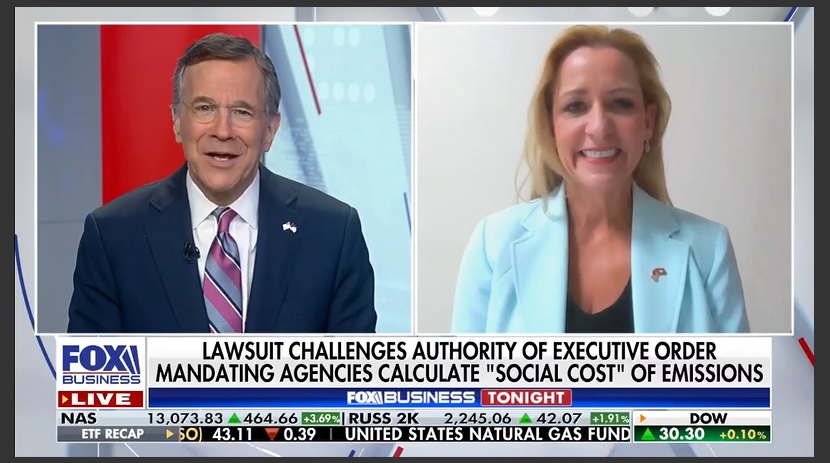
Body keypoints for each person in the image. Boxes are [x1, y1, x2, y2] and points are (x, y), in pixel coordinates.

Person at [67, 33, 377, 333]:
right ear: (177, 121)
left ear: (270, 130)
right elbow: (93, 367)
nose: (223, 130)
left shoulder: (333, 234)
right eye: (204, 108)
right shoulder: (113, 236)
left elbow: (352, 367)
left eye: (242, 112)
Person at [451, 25, 750, 334]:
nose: (599, 127)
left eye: (621, 103)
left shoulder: (708, 250)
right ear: (551, 126)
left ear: (648, 122)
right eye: (575, 106)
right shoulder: (492, 245)